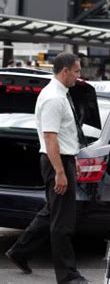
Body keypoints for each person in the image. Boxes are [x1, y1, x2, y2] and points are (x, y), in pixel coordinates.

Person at [5, 53, 88, 283]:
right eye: (77, 71)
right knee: (63, 222)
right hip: (56, 161)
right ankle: (67, 275)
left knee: (51, 212)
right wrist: (61, 171)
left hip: (63, 159)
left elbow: (65, 134)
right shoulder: (54, 98)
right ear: (65, 71)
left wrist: (74, 162)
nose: (78, 76)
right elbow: (51, 138)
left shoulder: (60, 94)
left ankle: (19, 252)